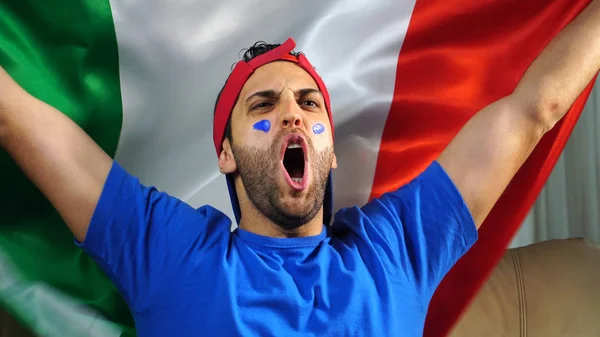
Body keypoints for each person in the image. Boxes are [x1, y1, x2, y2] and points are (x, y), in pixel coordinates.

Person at [0, 1, 599, 335]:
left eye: (309, 105)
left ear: (330, 150)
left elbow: (533, 109)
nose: (292, 115)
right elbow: (18, 119)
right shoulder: (169, 251)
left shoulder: (394, 247)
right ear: (227, 154)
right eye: (263, 105)